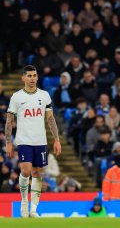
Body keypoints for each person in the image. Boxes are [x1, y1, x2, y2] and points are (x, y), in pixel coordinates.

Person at [5, 65, 61, 218]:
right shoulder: (17, 97)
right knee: (26, 170)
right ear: (23, 78)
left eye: (34, 75)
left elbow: (50, 118)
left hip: (40, 140)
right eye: (29, 76)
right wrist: (8, 141)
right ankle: (24, 202)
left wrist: (56, 139)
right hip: (23, 140)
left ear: (37, 77)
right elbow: (9, 120)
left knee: (37, 173)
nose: (32, 79)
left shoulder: (44, 96)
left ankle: (34, 209)